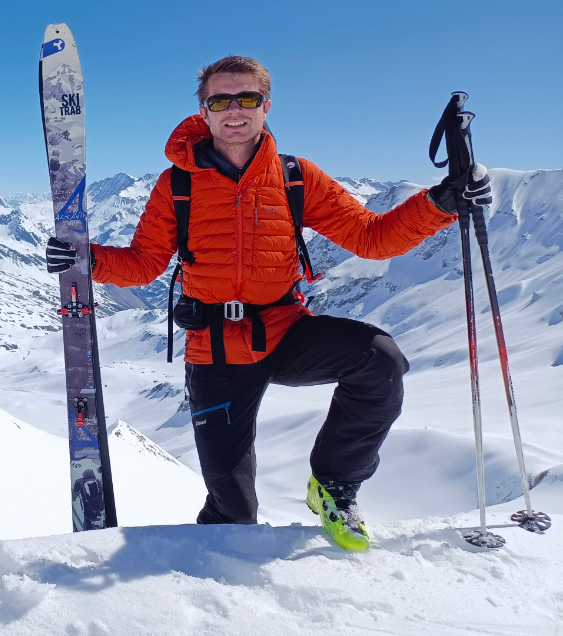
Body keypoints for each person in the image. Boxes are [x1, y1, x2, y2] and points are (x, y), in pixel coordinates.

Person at [45, 55, 491, 551]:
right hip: (214, 350)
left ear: (266, 106)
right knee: (233, 515)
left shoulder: (297, 177)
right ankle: (199, 602)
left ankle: (334, 486)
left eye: (247, 98)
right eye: (220, 100)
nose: (234, 110)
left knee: (380, 360)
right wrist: (86, 260)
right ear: (205, 111)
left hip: (285, 331)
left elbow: (371, 238)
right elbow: (144, 263)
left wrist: (440, 204)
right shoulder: (178, 185)